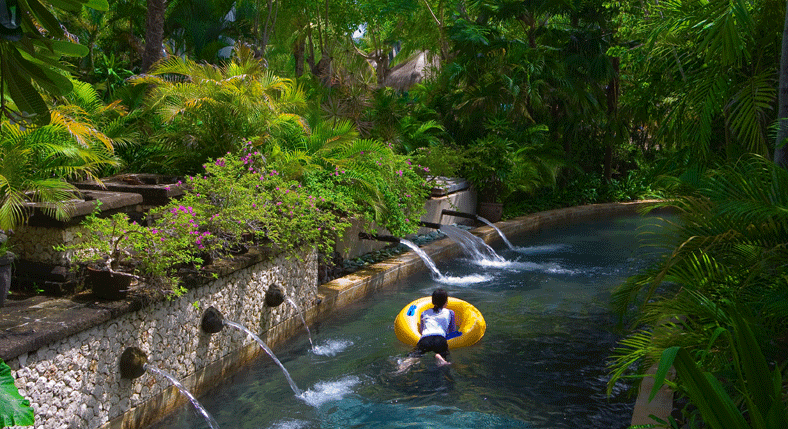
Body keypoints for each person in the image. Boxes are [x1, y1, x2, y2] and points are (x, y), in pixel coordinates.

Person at [397, 288, 456, 372]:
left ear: (432, 301)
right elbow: (452, 331)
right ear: (446, 302)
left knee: (414, 356)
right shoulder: (450, 312)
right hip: (440, 339)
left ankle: (403, 366)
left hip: (425, 339)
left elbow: (421, 330)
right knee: (444, 354)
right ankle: (440, 357)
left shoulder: (424, 313)